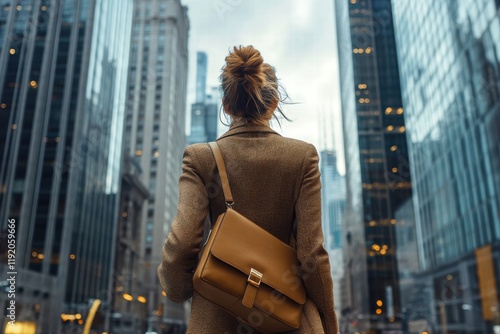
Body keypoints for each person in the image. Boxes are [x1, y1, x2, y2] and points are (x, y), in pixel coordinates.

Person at [157, 45, 338, 333]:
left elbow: (182, 243)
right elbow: (312, 254)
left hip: (216, 319)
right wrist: (328, 321)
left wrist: (177, 289)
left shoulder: (199, 158)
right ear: (274, 102)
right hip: (288, 318)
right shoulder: (302, 157)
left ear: (226, 106)